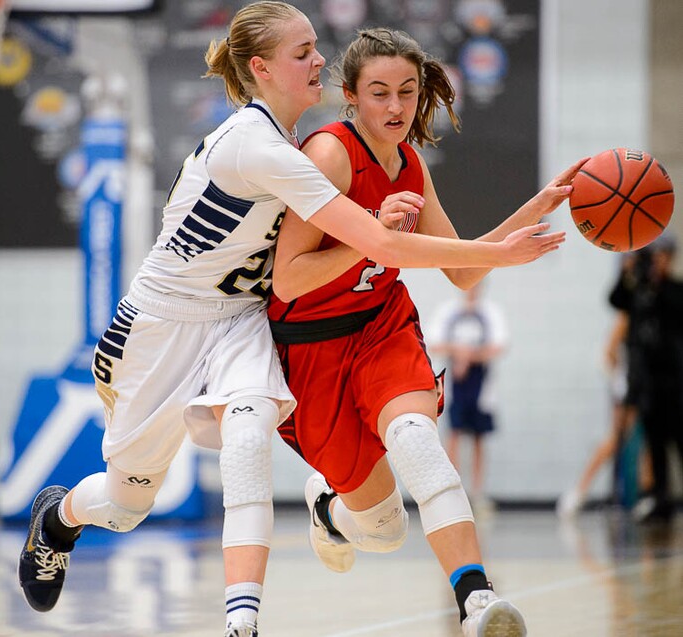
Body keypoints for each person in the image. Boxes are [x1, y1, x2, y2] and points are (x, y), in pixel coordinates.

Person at [16, 4, 580, 637]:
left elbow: (439, 266)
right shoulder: (277, 150)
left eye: (317, 48)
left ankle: (249, 621)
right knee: (125, 504)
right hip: (166, 324)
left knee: (271, 437)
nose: (319, 58)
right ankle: (60, 517)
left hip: (250, 319)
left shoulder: (305, 144)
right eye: (304, 51)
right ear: (262, 68)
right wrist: (489, 251)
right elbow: (370, 251)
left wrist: (527, 216)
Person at [267, 27, 584, 637]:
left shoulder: (409, 162)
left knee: (416, 436)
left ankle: (477, 599)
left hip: (382, 326)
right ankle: (330, 507)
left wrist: (538, 205)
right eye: (379, 93)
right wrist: (369, 234)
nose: (395, 107)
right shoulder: (330, 155)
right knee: (384, 532)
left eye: (407, 93)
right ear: (351, 97)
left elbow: (463, 268)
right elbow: (288, 280)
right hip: (313, 349)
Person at [557, 255, 652, 518]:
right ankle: (579, 491)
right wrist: (621, 383)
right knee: (615, 440)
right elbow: (609, 353)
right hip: (629, 387)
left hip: (650, 384)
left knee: (648, 443)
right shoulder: (627, 314)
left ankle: (648, 495)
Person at [608, 234, 683, 524]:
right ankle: (660, 500)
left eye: (663, 256)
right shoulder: (637, 290)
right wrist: (628, 272)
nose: (658, 262)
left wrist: (655, 283)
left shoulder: (674, 290)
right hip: (647, 382)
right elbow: (615, 299)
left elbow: (671, 308)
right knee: (655, 443)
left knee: (679, 440)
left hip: (675, 382)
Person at [428, 282, 508, 511]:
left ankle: (477, 492)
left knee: (478, 438)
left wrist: (469, 356)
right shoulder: (448, 312)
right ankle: (454, 492)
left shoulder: (491, 312)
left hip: (481, 386)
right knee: (453, 434)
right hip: (456, 385)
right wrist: (458, 353)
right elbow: (435, 345)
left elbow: (499, 346)